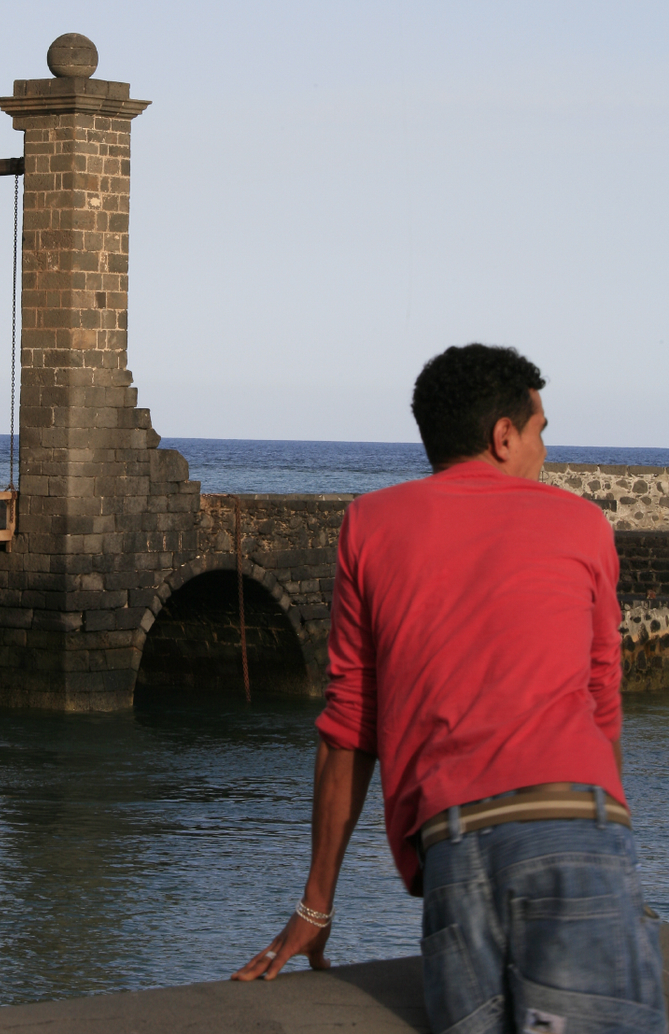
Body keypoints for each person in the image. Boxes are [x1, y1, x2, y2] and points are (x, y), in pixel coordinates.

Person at [233, 343, 666, 1034]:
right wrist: (611, 853)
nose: (545, 450)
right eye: (541, 430)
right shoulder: (583, 524)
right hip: (572, 832)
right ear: (504, 435)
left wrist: (317, 906)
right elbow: (601, 706)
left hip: (455, 851)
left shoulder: (368, 525)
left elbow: (351, 725)